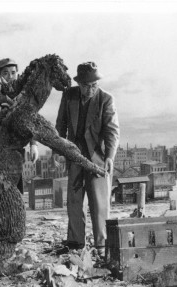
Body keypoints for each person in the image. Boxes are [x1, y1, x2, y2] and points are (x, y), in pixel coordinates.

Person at [55, 61, 119, 259]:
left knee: (99, 203)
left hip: (98, 158)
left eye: (94, 85)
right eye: (86, 85)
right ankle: (75, 243)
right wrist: (59, 150)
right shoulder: (69, 96)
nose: (90, 89)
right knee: (74, 201)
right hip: (75, 155)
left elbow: (112, 132)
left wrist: (109, 157)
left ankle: (102, 245)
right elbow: (61, 125)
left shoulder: (106, 99)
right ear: (79, 83)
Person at [0, 58, 38, 192]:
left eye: (13, 73)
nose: (10, 77)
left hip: (16, 150)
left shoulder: (23, 94)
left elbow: (31, 119)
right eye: (5, 73)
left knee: (16, 191)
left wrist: (33, 144)